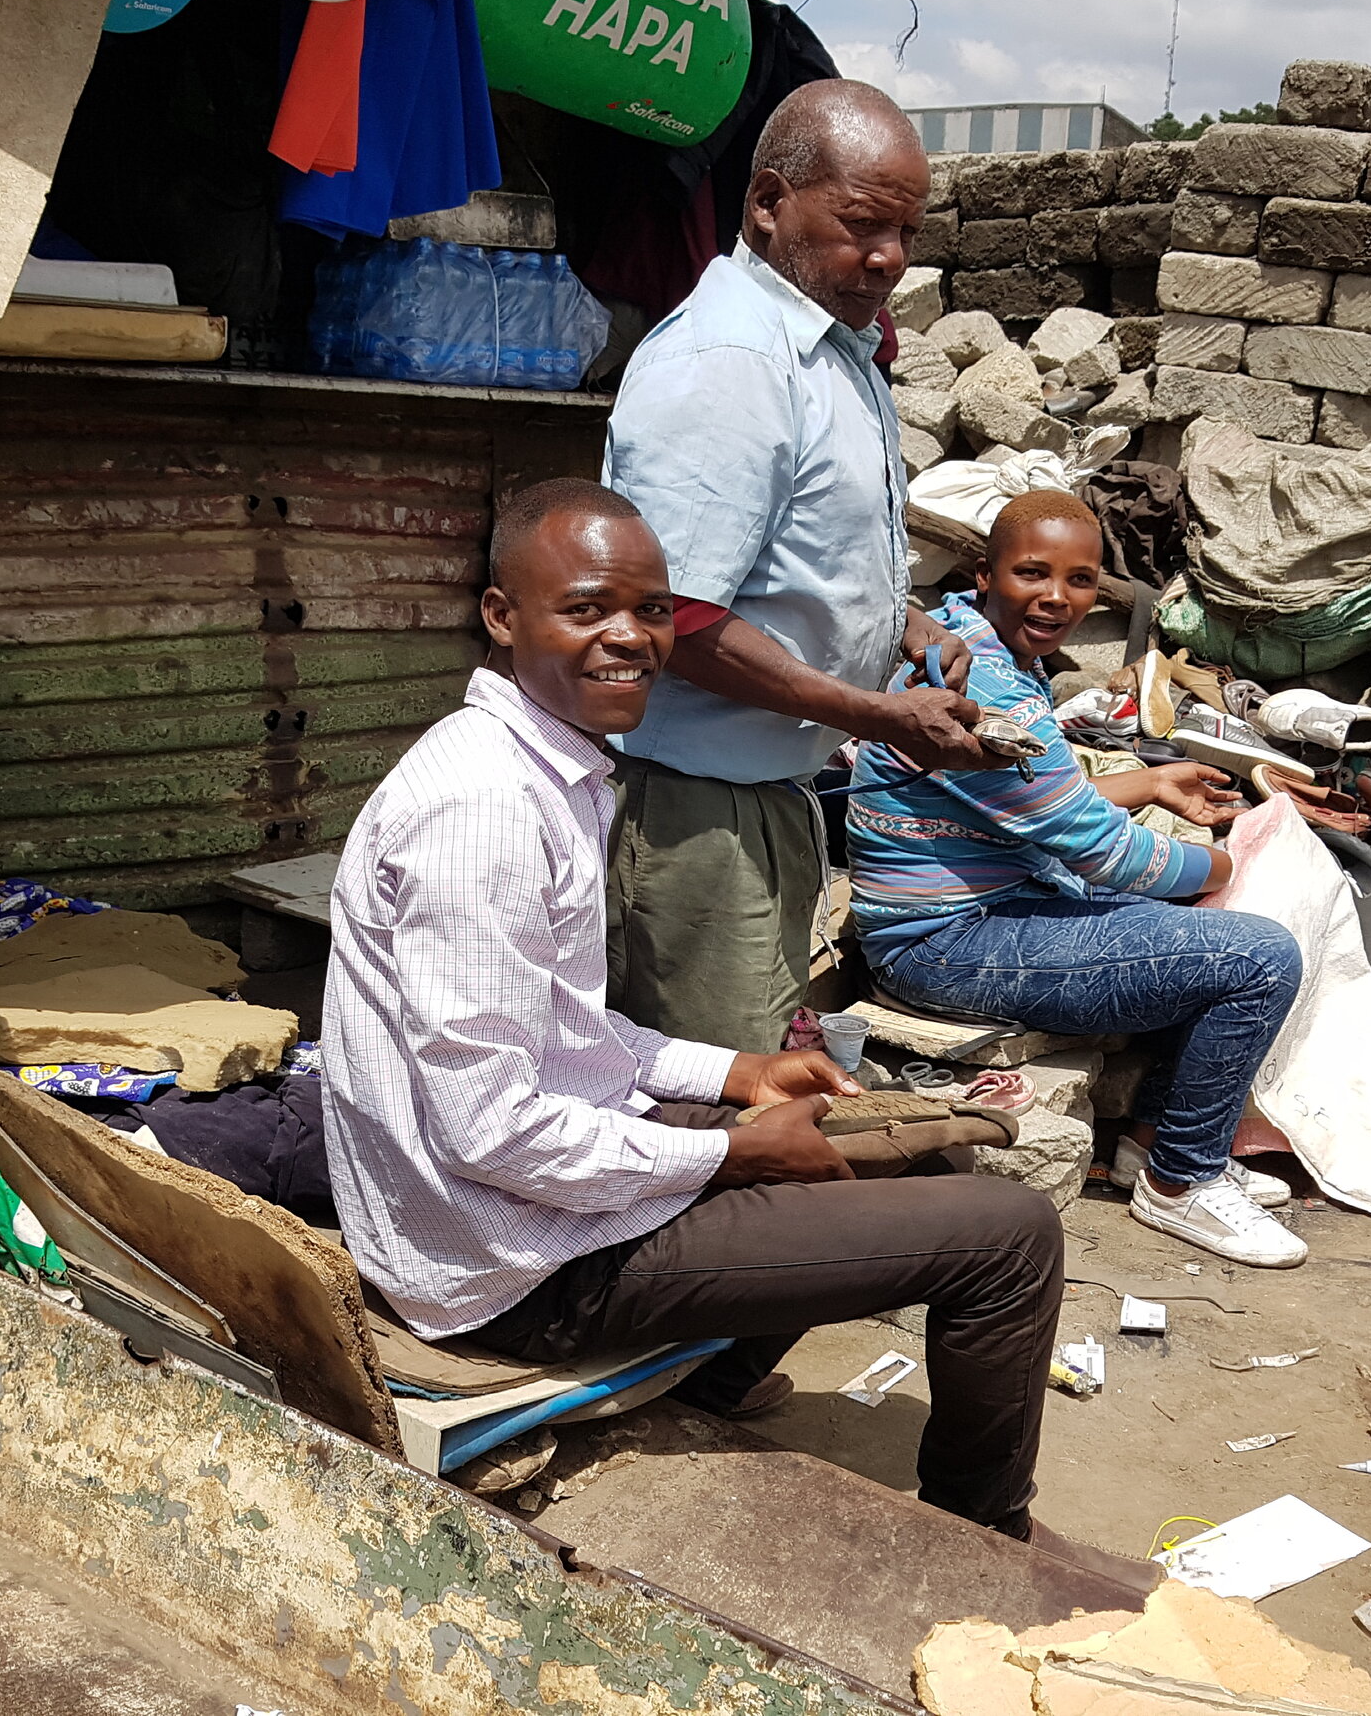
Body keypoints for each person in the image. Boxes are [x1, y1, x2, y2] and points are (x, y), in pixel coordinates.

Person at [320, 479, 1067, 1537]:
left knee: (929, 1152)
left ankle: (699, 1399)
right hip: (518, 1271)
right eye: (587, 610)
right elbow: (490, 1131)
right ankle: (989, 1544)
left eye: (654, 611)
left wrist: (736, 1078)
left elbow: (561, 1031)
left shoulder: (547, 769)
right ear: (502, 616)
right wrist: (731, 1155)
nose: (630, 640)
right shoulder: (484, 808)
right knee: (1011, 1236)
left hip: (536, 1210)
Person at [603, 78, 1000, 1055]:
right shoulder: (730, 363)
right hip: (693, 811)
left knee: (753, 1077)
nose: (890, 259)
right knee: (722, 1110)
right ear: (769, 204)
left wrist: (905, 628)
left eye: (907, 232)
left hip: (763, 791)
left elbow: (794, 551)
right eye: (864, 225)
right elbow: (670, 615)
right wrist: (867, 712)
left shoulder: (830, 352)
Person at [847, 491, 1311, 1270]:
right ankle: (1182, 1182)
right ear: (984, 572)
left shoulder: (979, 647)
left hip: (996, 906)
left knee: (1196, 934)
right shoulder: (981, 682)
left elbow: (1032, 804)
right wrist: (1241, 860)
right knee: (1258, 956)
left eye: (1082, 579)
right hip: (943, 939)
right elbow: (1107, 854)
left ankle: (1152, 1140)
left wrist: (1151, 787)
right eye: (1033, 572)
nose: (1057, 597)